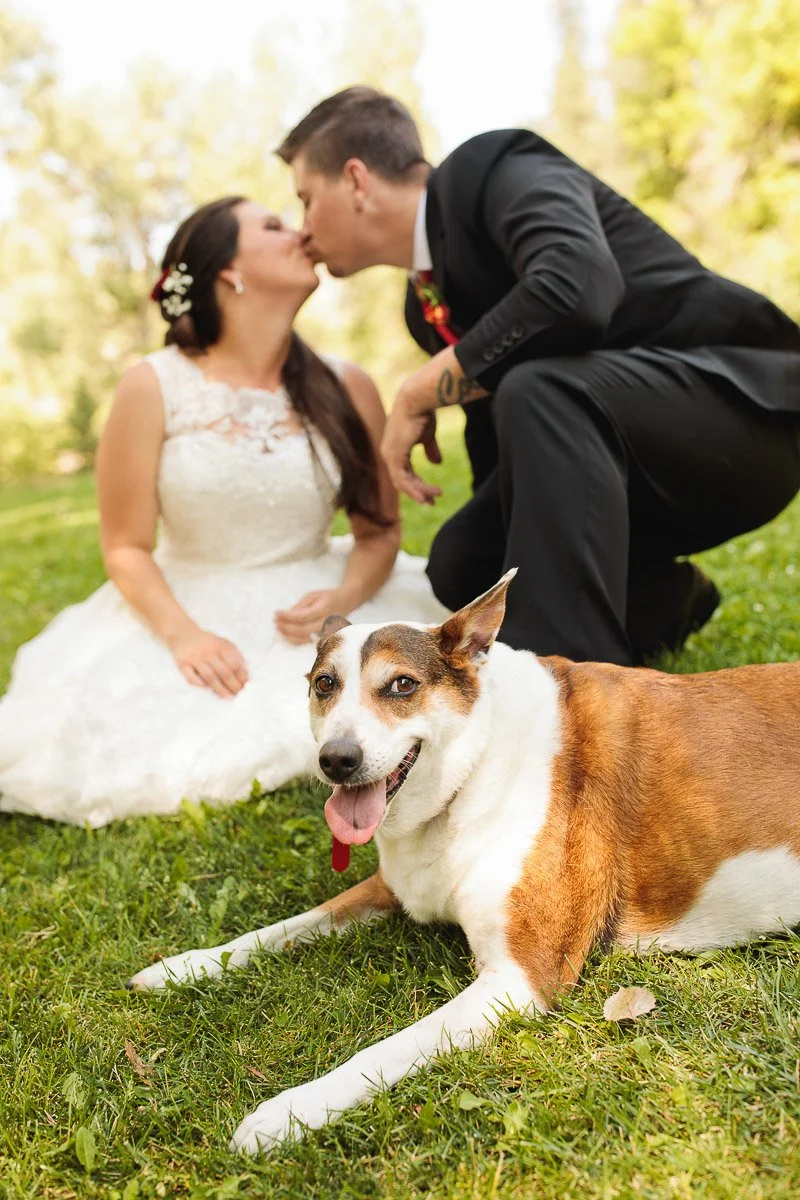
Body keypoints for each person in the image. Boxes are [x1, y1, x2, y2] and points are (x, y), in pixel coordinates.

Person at [278, 87, 800, 667]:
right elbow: (501, 449)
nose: (302, 228)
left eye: (306, 198)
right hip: (615, 464)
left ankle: (569, 687)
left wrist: (420, 387)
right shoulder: (421, 306)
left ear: (356, 180)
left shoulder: (493, 167)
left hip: (743, 416)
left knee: (540, 388)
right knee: (464, 561)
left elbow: (577, 287)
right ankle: (666, 598)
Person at [0, 196, 447, 827]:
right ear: (228, 272)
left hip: (319, 597)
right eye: (272, 226)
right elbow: (125, 546)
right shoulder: (151, 385)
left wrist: (344, 597)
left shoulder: (346, 384)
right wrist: (184, 636)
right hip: (189, 603)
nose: (299, 232)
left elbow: (379, 532)